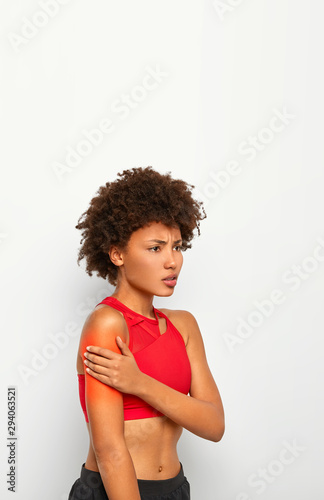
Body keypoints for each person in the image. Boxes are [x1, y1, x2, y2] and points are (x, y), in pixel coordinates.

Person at [68, 166, 224, 500]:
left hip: (175, 488)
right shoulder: (107, 323)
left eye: (177, 246)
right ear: (117, 254)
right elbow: (110, 452)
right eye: (156, 248)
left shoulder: (184, 325)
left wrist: (140, 383)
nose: (173, 261)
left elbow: (213, 425)